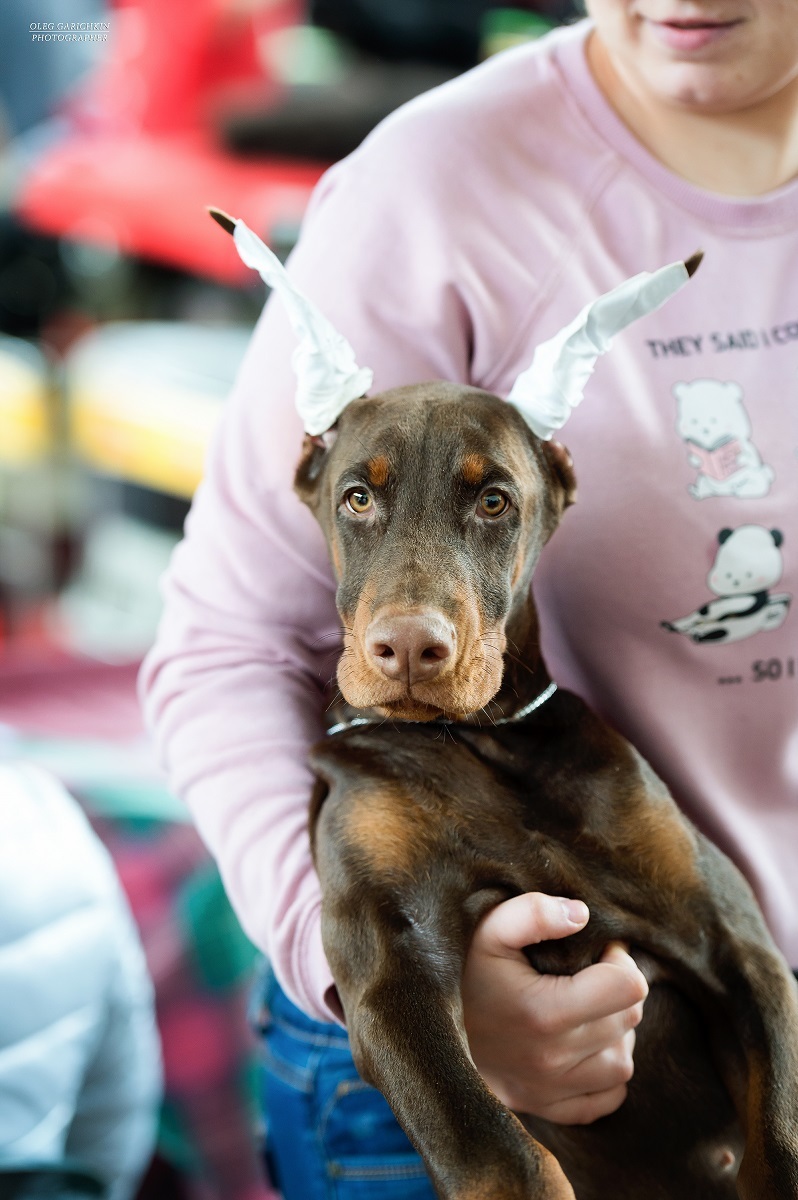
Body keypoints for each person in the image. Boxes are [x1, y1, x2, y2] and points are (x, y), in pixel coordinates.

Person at [140, 0, 798, 1194]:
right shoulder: (437, 189)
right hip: (465, 1063)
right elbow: (225, 647)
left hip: (759, 1027)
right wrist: (397, 980)